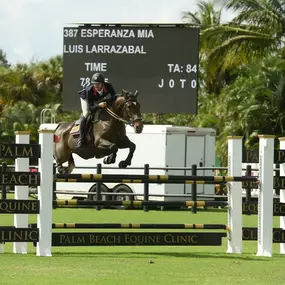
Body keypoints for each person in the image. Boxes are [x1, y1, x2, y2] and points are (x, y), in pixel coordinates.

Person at [77, 72, 117, 148]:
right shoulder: (89, 90)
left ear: (102, 83)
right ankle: (81, 139)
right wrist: (99, 105)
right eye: (94, 84)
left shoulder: (108, 86)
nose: (96, 86)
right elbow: (90, 108)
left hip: (99, 99)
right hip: (86, 99)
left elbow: (114, 97)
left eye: (98, 84)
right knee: (86, 115)